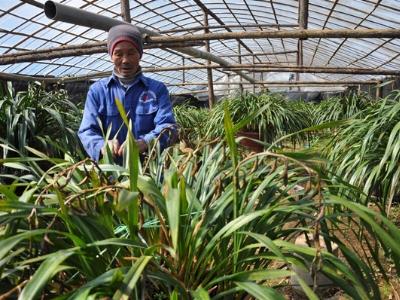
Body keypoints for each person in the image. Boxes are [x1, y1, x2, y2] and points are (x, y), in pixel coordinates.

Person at [78, 24, 177, 162]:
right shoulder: (97, 91)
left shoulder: (157, 89)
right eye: (118, 53)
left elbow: (168, 126)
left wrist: (145, 143)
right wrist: (103, 145)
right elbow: (87, 130)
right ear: (111, 55)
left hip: (149, 172)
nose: (125, 60)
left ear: (140, 54)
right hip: (111, 173)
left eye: (131, 53)